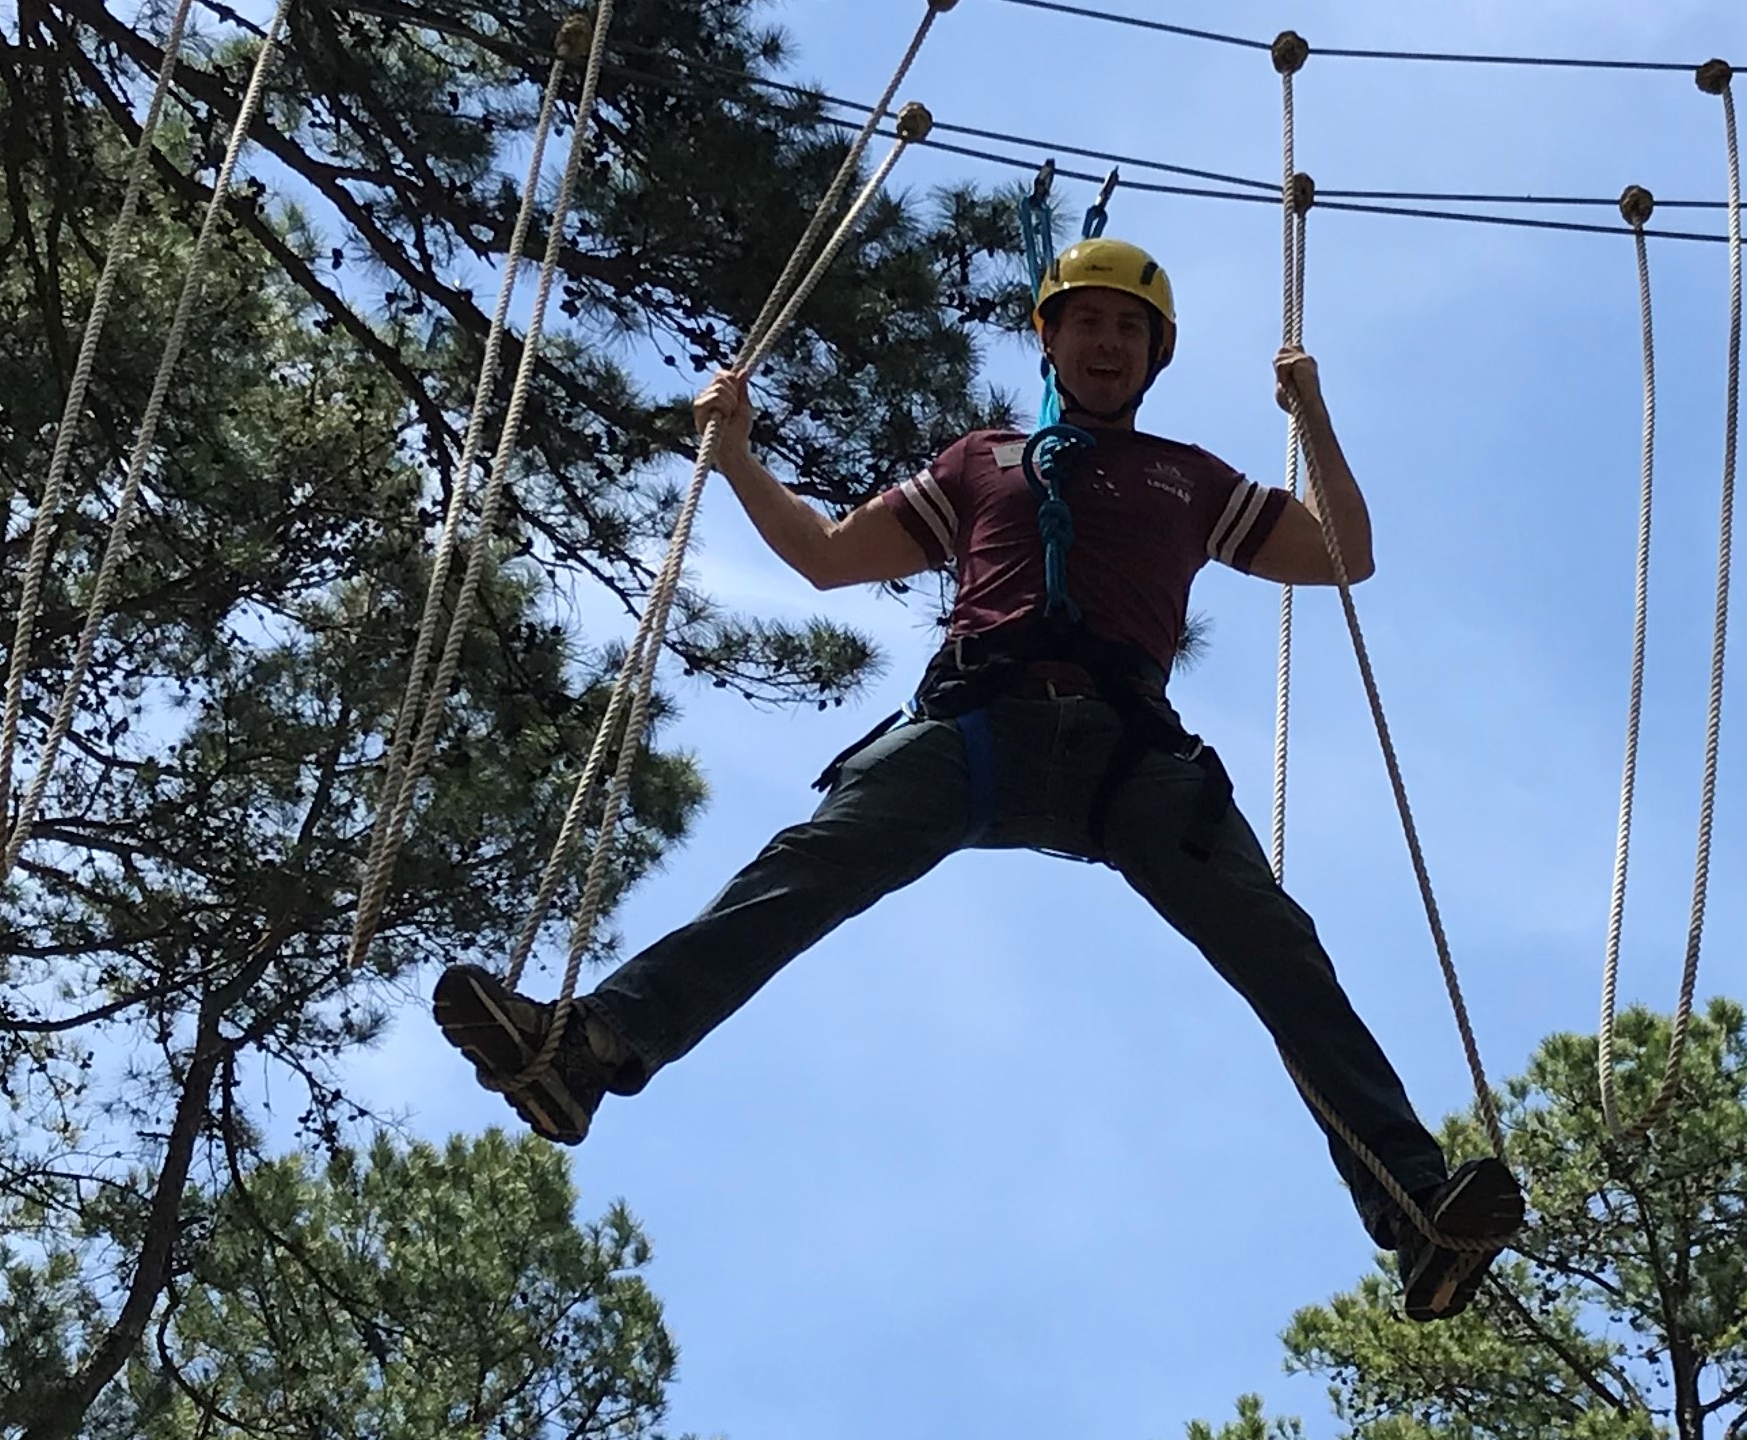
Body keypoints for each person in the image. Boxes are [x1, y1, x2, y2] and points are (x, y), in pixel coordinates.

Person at [434, 236, 1523, 1319]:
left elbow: (1341, 554)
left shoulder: (1187, 478)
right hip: (978, 724)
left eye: (1129, 329)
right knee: (810, 864)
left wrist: (1311, 417)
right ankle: (589, 1047)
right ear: (1047, 338)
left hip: (1130, 753)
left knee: (1275, 948)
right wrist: (735, 462)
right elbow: (826, 556)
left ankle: (1414, 1205)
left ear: (1156, 356)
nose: (1107, 342)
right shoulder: (979, 461)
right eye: (1087, 321)